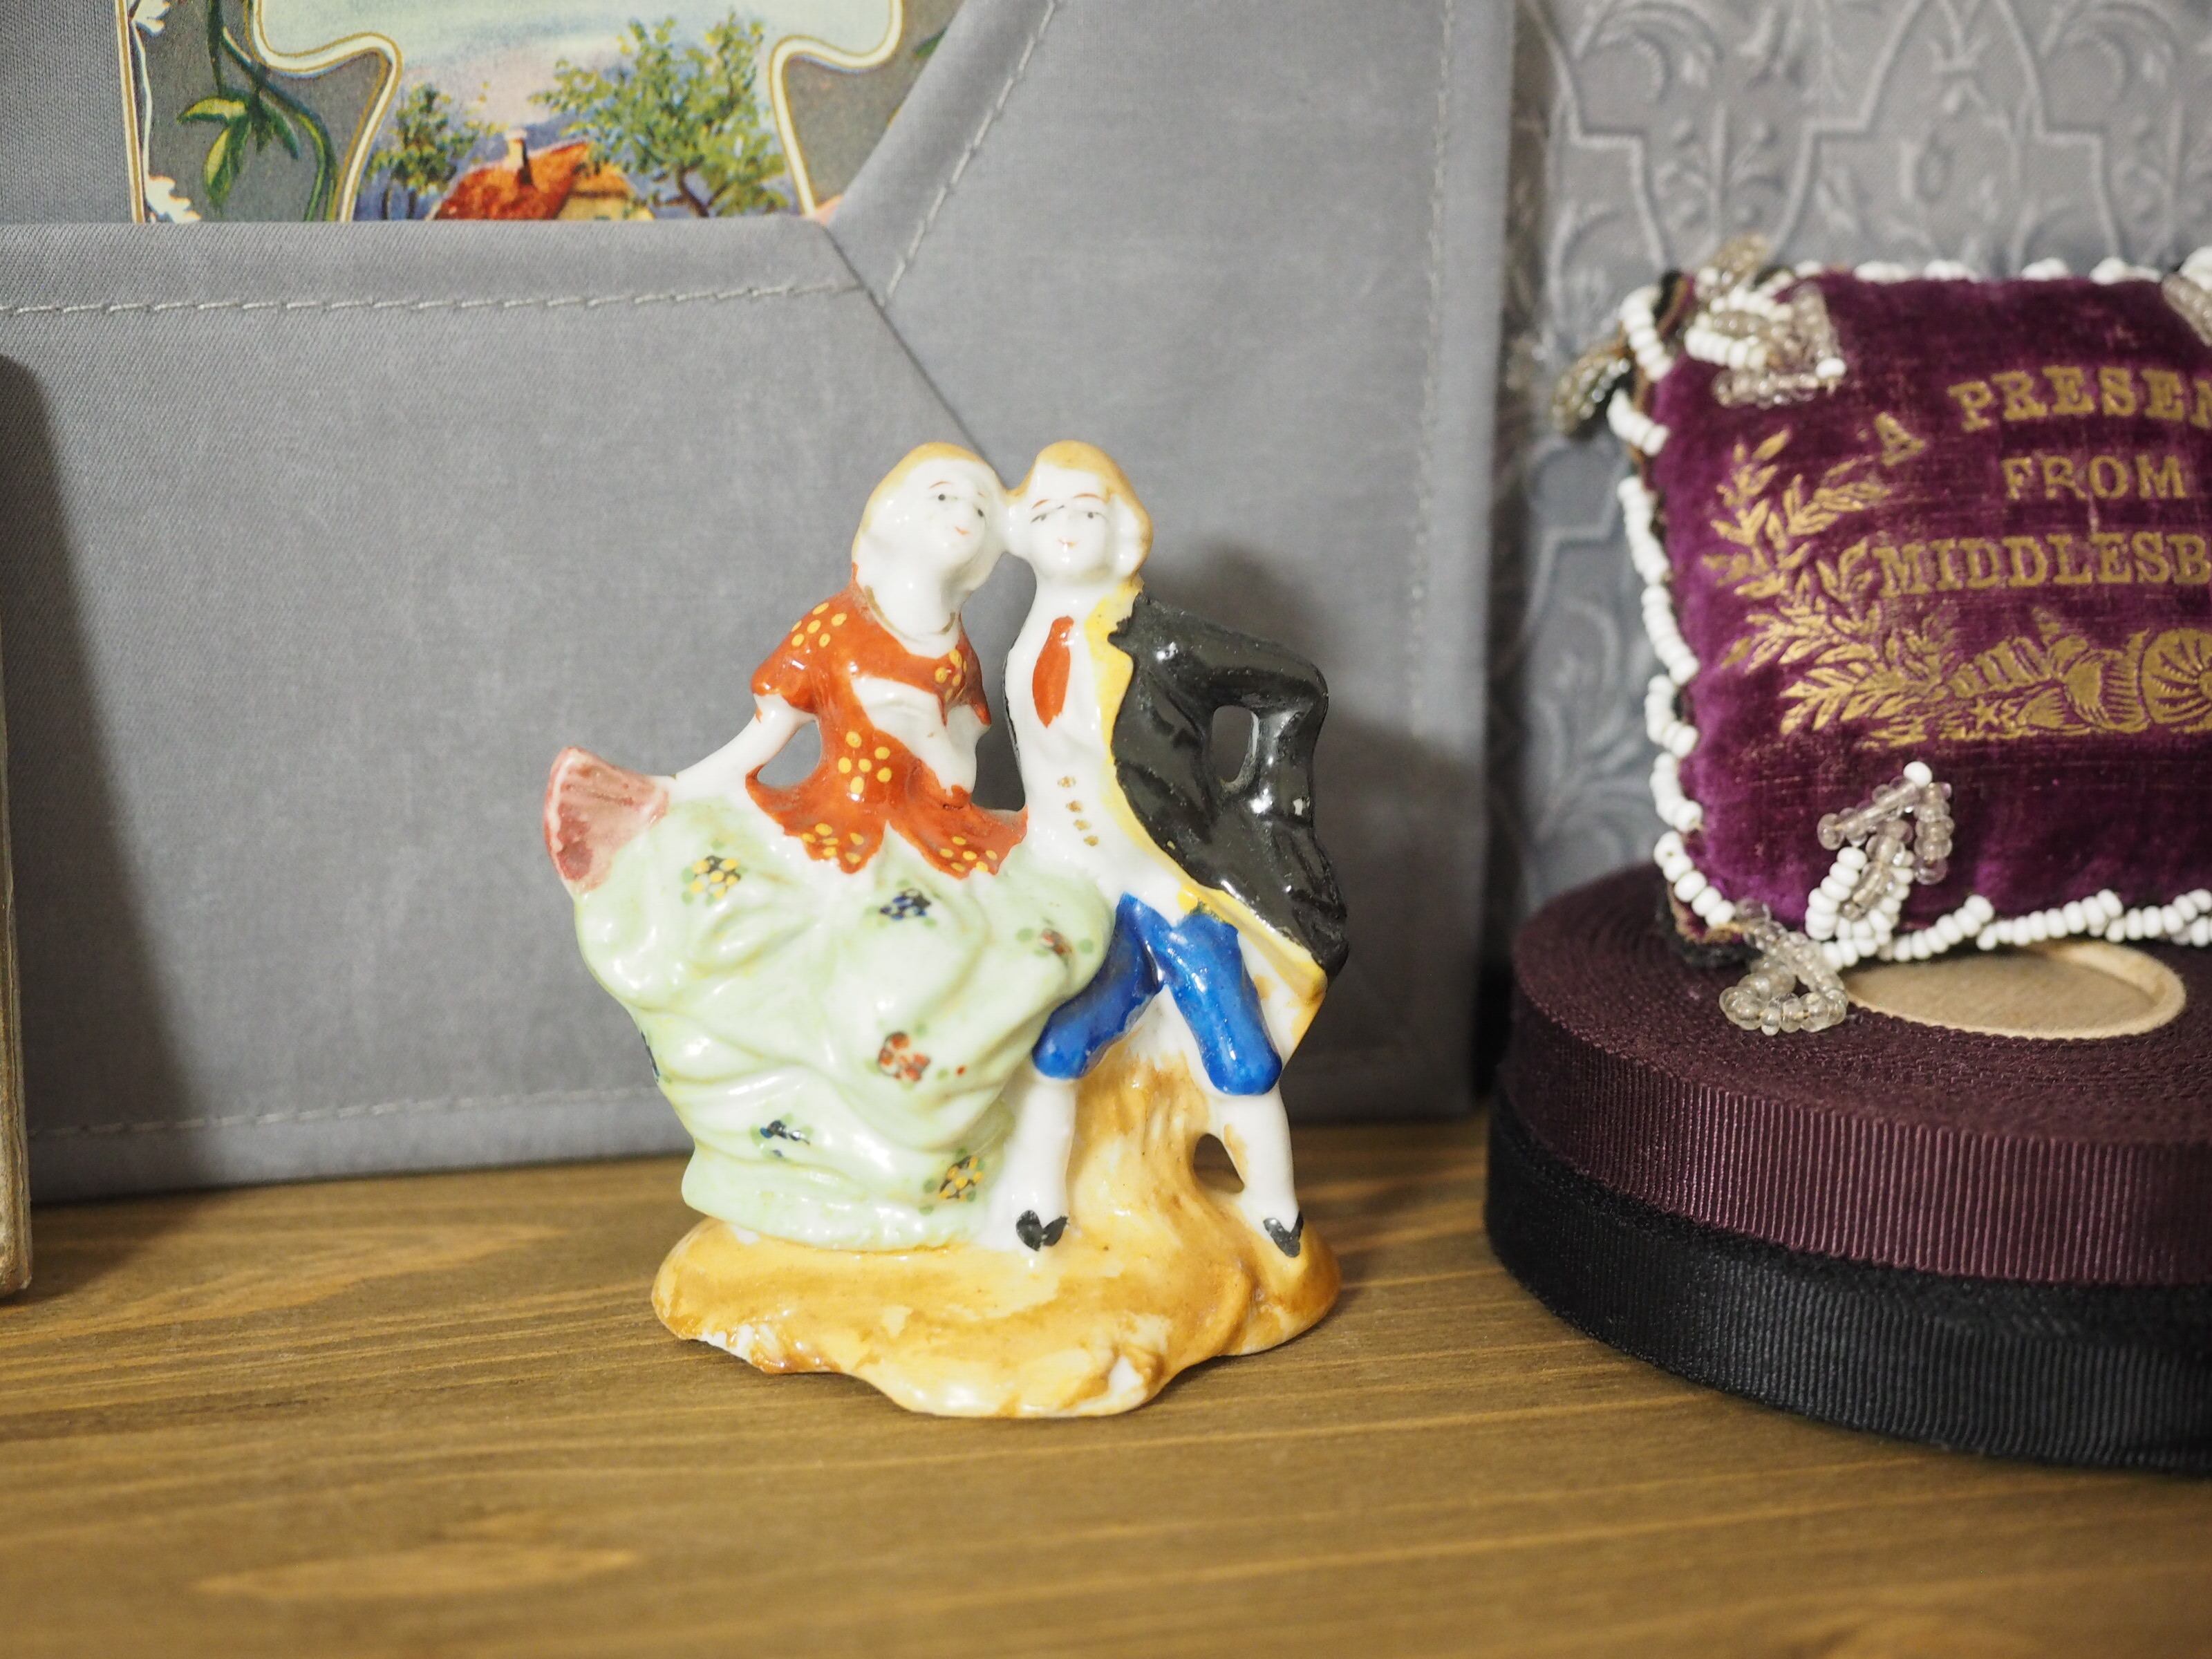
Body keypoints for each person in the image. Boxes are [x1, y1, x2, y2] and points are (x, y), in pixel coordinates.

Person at [543, 444, 1108, 1253]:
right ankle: (788, 1163)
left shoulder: (955, 656)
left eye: (981, 508)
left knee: (971, 960)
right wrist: (672, 790)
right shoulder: (833, 628)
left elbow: (957, 775)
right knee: (730, 914)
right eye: (944, 496)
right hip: (829, 824)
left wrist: (924, 734)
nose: (963, 515)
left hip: (928, 836)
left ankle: (935, 1174)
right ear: (894, 517)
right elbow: (759, 742)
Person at [988, 443, 1348, 1256]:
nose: (1066, 527)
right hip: (1084, 896)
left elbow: (1293, 688)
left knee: (1241, 1059)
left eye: (1087, 510)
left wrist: (1270, 806)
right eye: (1045, 513)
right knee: (1054, 1049)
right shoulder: (1024, 648)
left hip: (1173, 891)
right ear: (1020, 533)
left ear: (1123, 531)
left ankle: (1274, 1212)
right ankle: (1036, 1207)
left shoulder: (1160, 641)